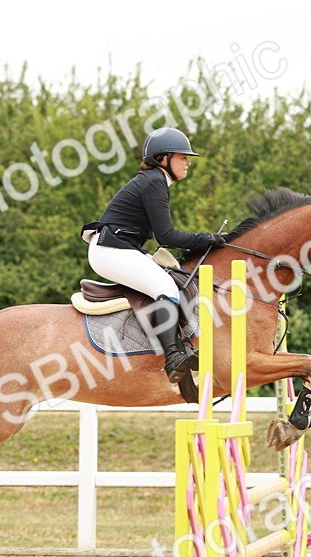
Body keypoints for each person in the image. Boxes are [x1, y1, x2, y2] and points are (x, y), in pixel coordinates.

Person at [80, 126, 226, 383]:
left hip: (118, 248)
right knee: (166, 288)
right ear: (163, 159)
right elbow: (167, 237)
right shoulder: (155, 182)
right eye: (182, 157)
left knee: (172, 275)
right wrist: (206, 239)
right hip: (110, 250)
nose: (188, 163)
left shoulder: (154, 182)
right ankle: (173, 358)